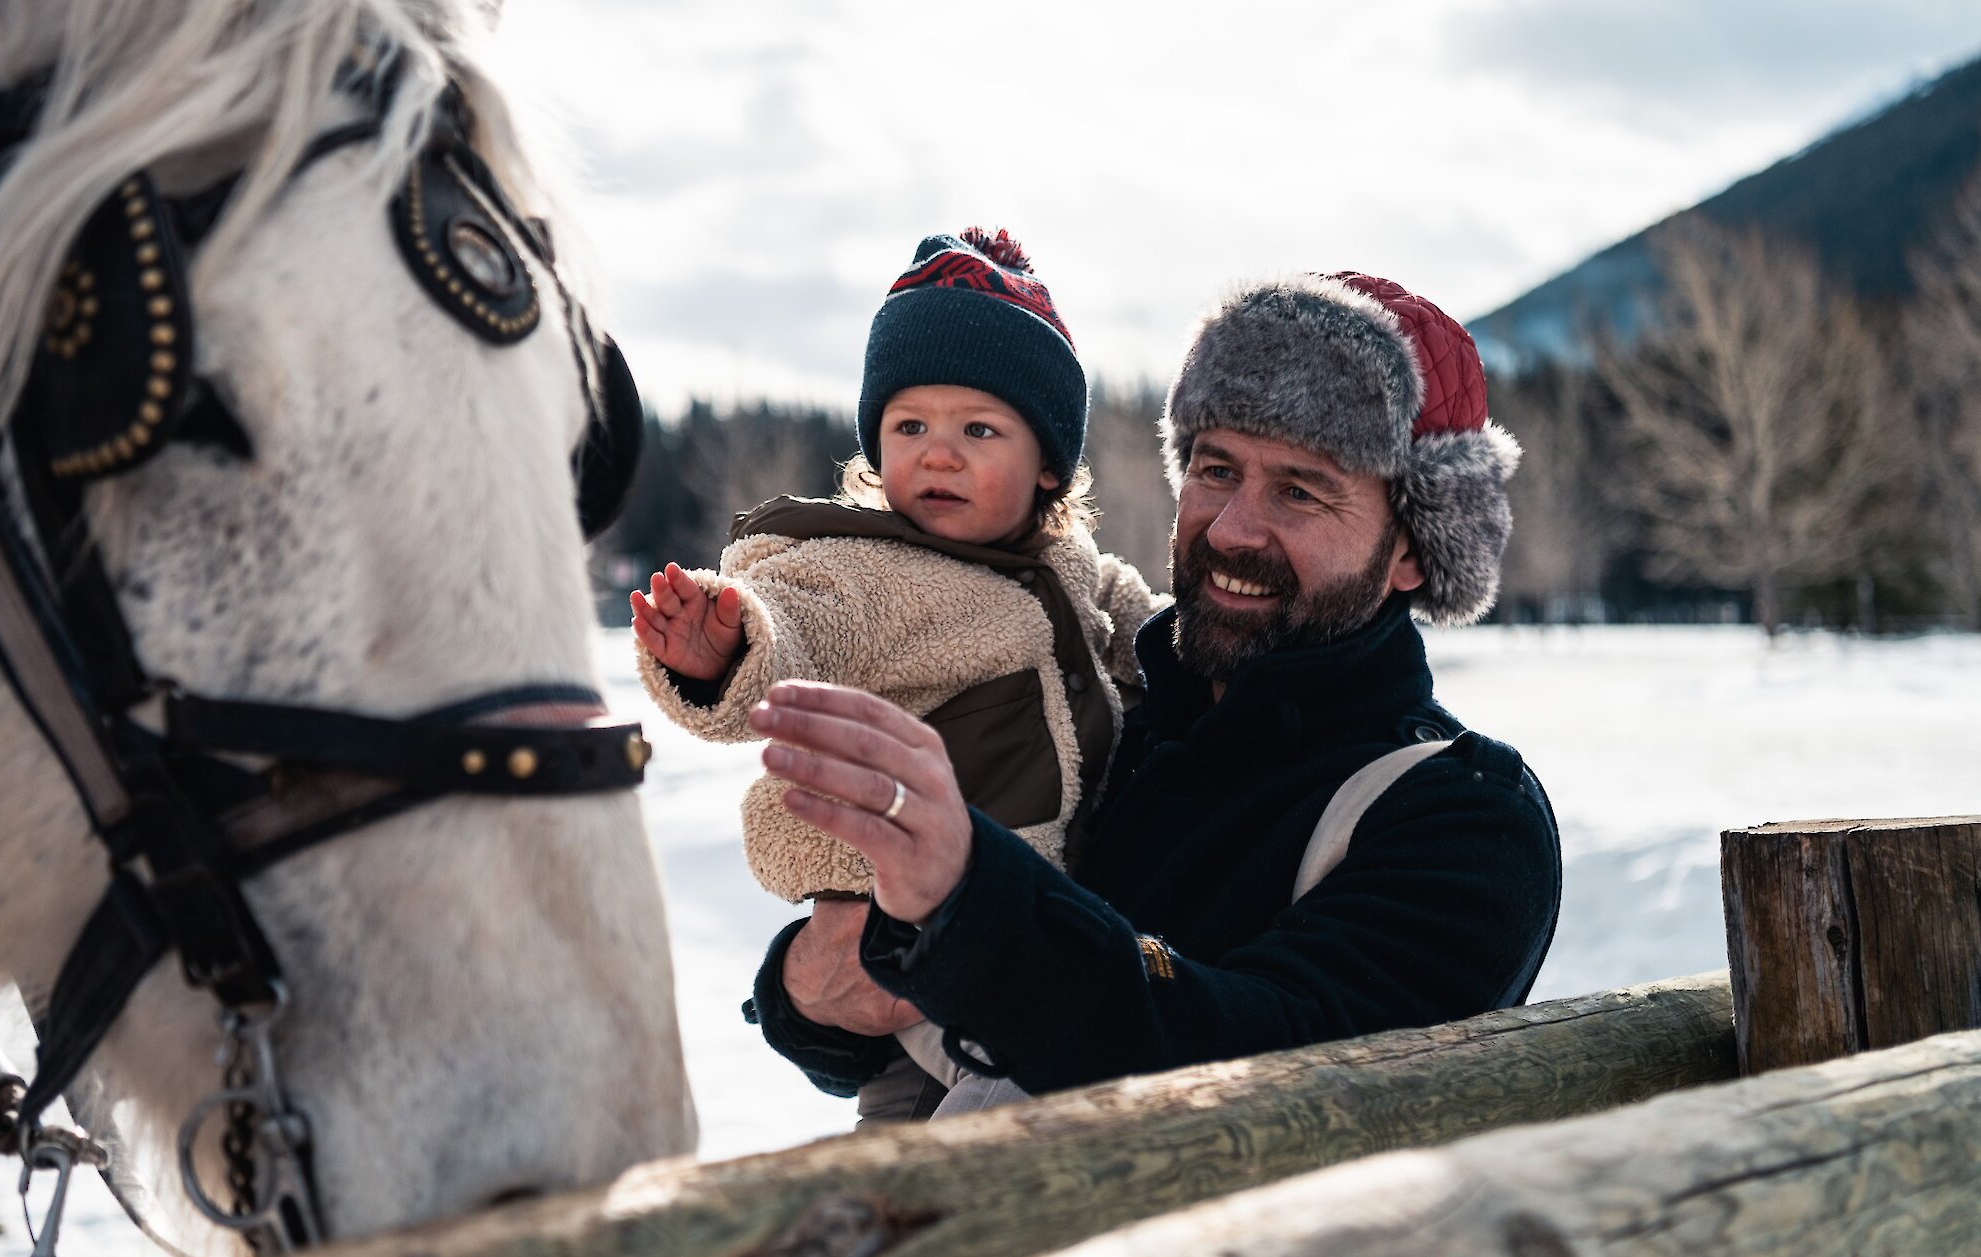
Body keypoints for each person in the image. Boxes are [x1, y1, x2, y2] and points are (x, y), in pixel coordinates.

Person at [741, 271, 1561, 1112]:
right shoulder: (1103, 708)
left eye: (1300, 490)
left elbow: (1262, 1064)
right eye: (1215, 470)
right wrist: (806, 986)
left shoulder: (1462, 817)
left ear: (1414, 551)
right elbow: (866, 1010)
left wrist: (969, 909)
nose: (1234, 529)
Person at [632, 228, 1165, 1120]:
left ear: (1047, 466)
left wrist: (1191, 645)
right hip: (904, 918)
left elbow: (1139, 624)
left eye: (978, 429)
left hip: (1019, 915)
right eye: (910, 425)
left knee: (930, 1121)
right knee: (1004, 1102)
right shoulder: (860, 568)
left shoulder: (1072, 565)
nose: (938, 452)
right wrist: (727, 648)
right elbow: (794, 627)